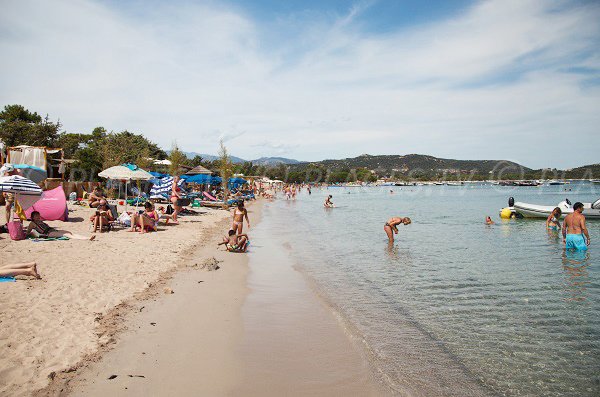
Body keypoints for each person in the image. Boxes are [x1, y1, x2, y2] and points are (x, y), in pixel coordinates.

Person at [27, 211, 95, 240]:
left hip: (52, 230)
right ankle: (87, 238)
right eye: (36, 216)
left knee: (69, 232)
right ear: (32, 217)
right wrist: (28, 234)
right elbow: (28, 231)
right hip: (48, 233)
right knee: (66, 235)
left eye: (38, 215)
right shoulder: (32, 223)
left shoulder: (40, 221)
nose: (38, 217)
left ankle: (87, 237)